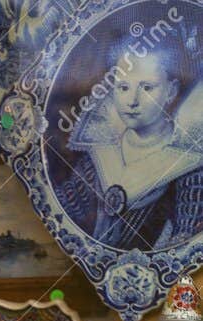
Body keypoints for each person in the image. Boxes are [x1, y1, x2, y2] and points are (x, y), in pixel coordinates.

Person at [60, 34, 203, 250]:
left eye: (147, 88)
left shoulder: (188, 166)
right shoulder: (100, 155)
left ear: (171, 91)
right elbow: (68, 212)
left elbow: (184, 243)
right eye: (123, 87)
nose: (132, 101)